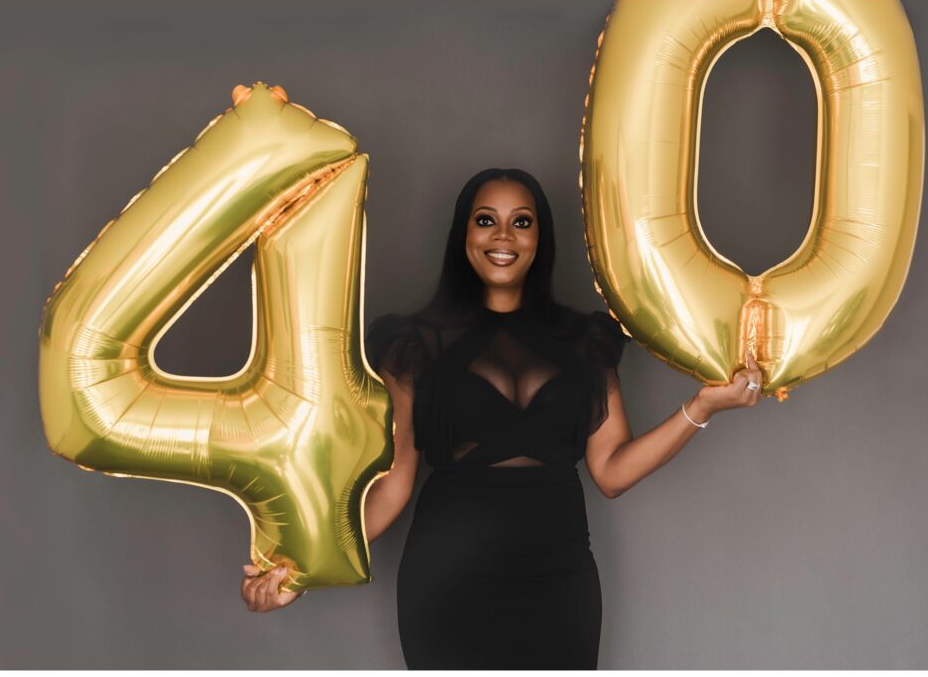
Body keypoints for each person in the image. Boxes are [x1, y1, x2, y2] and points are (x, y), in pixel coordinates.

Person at [240, 168, 764, 669]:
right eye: (486, 219)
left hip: (560, 581)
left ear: (540, 237)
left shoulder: (586, 341)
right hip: (447, 584)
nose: (504, 236)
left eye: (522, 221)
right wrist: (302, 572)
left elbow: (612, 471)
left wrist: (703, 407)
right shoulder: (414, 344)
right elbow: (393, 489)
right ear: (463, 234)